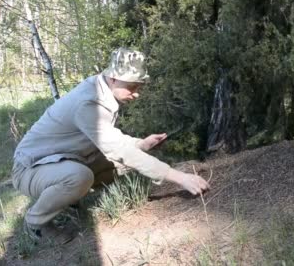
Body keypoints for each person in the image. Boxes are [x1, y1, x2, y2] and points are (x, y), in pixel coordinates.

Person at [12, 47, 210, 243]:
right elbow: (117, 148)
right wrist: (177, 177)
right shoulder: (89, 102)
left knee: (120, 162)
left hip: (63, 159)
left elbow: (113, 140)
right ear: (113, 78)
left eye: (139, 87)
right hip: (29, 169)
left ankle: (70, 197)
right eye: (132, 87)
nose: (136, 94)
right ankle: (36, 222)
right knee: (80, 177)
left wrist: (140, 144)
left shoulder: (103, 89)